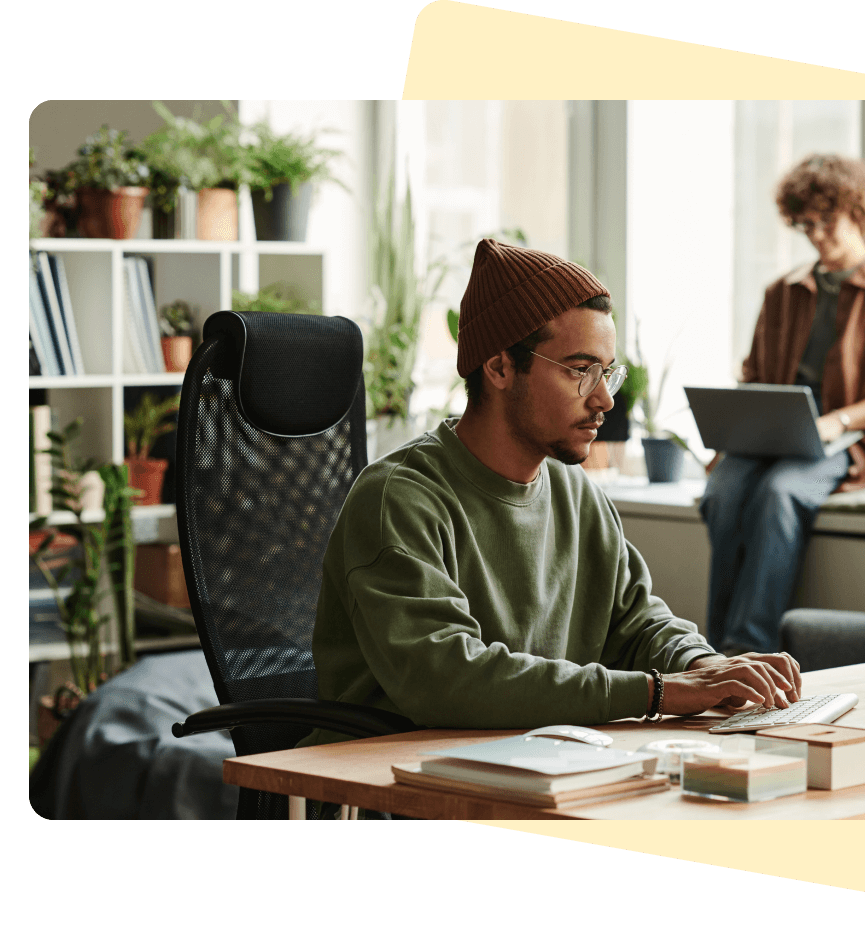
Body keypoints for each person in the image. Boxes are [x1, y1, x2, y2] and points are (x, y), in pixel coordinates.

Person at [298, 238, 805, 750]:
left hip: (530, 763)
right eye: (581, 371)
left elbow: (634, 621)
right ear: (499, 368)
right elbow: (447, 678)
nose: (605, 398)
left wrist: (706, 666)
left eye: (606, 372)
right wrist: (658, 693)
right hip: (392, 784)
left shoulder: (574, 492)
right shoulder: (400, 499)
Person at [700, 154, 865, 656]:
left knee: (781, 493)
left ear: (857, 213)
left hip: (854, 434)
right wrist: (738, 430)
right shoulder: (782, 291)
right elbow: (755, 374)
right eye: (807, 225)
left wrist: (837, 421)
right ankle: (712, 650)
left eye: (828, 222)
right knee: (723, 491)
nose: (818, 235)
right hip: (776, 428)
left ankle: (749, 648)